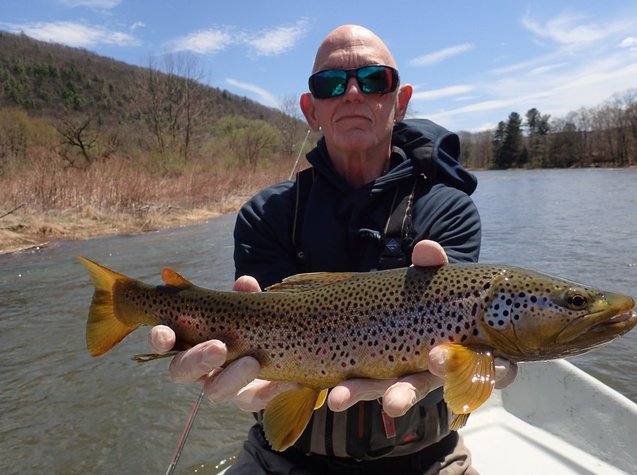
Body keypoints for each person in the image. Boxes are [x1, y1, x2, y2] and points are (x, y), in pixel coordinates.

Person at [149, 24, 517, 474]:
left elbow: (459, 341)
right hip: (281, 459)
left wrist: (491, 362)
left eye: (375, 80)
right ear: (311, 110)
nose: (353, 93)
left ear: (400, 101)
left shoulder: (449, 210)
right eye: (331, 84)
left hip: (427, 461)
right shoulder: (267, 214)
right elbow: (258, 332)